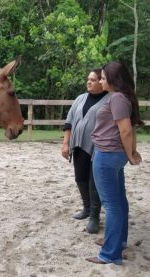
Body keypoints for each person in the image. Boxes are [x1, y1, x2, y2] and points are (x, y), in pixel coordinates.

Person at [86, 61, 143, 265]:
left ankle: (110, 254)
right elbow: (129, 129)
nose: (100, 81)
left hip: (107, 155)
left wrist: (130, 154)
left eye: (102, 77)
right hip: (114, 155)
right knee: (119, 201)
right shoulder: (120, 97)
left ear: (113, 79)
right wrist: (130, 152)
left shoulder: (117, 98)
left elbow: (126, 130)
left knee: (111, 205)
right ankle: (118, 241)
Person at [62, 69, 108, 234]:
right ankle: (87, 208)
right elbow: (69, 122)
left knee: (94, 182)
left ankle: (95, 217)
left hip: (99, 147)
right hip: (79, 145)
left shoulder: (109, 99)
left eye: (94, 80)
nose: (89, 82)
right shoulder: (80, 98)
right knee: (80, 178)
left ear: (102, 82)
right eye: (88, 79)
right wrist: (66, 143)